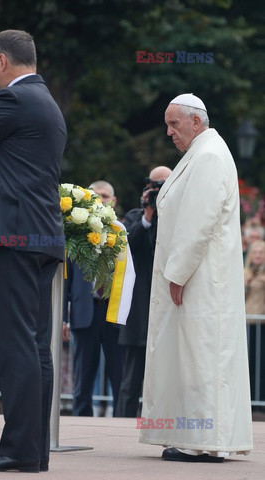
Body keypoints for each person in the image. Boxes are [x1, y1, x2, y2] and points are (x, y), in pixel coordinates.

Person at [0, 30, 67, 473]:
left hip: (15, 236)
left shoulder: (14, 100)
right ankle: (31, 450)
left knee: (16, 344)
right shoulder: (48, 103)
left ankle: (18, 450)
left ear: (3, 60)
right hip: (40, 237)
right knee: (35, 345)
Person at [139, 93, 253, 462]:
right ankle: (196, 436)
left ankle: (205, 441)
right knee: (194, 357)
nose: (169, 132)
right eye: (167, 124)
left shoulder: (207, 155)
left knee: (202, 357)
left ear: (196, 122)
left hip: (202, 279)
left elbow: (197, 223)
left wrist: (177, 274)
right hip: (201, 277)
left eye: (175, 124)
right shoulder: (204, 152)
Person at [64, 181, 125, 417]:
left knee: (119, 375)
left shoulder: (122, 231)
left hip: (113, 311)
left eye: (105, 196)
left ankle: (122, 423)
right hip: (83, 312)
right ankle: (82, 423)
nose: (101, 199)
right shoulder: (75, 231)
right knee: (83, 377)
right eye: (96, 196)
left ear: (114, 201)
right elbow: (66, 279)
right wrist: (62, 316)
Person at [115, 166, 171, 418]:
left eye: (164, 185)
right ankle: (118, 432)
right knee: (130, 382)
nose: (158, 191)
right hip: (139, 312)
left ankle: (163, 429)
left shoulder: (178, 216)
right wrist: (148, 215)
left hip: (167, 311)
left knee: (166, 382)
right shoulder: (136, 216)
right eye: (154, 186)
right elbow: (128, 245)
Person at [244, 240, 265, 403]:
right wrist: (246, 283)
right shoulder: (243, 273)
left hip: (261, 325)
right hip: (246, 324)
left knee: (262, 363)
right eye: (255, 252)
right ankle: (248, 400)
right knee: (248, 363)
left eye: (261, 252)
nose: (258, 255)